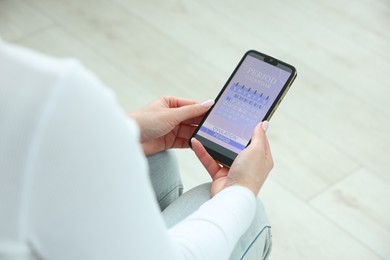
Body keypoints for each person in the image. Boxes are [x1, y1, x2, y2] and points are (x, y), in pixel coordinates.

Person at [0, 39, 273, 259]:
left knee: (155, 161)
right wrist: (241, 192)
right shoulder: (53, 89)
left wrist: (122, 133)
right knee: (237, 209)